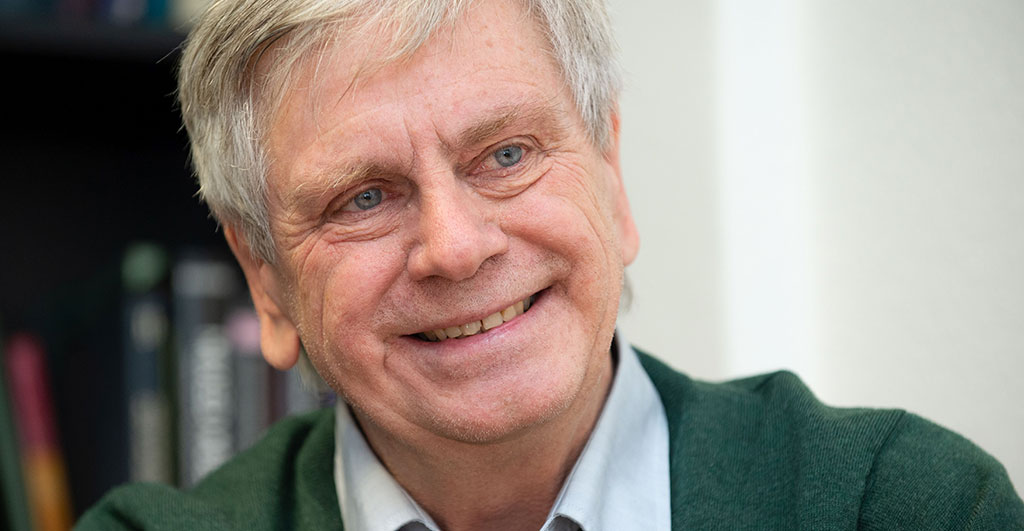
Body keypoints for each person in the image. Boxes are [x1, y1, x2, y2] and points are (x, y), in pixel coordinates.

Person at [79, 0, 1024, 529]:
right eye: (364, 197)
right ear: (265, 281)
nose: (456, 247)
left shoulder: (901, 506)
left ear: (612, 178)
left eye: (506, 153)